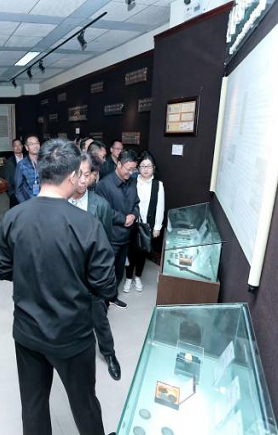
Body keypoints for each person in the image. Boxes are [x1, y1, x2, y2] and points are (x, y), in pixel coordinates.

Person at [0, 138, 117, 435]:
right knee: (85, 404)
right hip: (72, 335)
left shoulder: (13, 217)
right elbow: (106, 285)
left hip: (27, 331)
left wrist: (32, 276)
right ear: (72, 176)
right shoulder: (87, 224)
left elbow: (2, 269)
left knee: (33, 405)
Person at [69, 153, 121, 381]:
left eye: (87, 174)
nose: (82, 179)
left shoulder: (101, 205)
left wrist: (104, 280)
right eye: (78, 174)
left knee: (100, 318)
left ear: (93, 176)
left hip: (92, 276)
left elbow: (107, 244)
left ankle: (109, 354)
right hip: (67, 275)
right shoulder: (60, 203)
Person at [96, 149, 140, 308]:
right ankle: (102, 302)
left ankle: (112, 296)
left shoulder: (133, 181)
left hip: (127, 236)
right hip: (111, 236)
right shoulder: (103, 185)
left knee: (119, 270)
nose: (131, 173)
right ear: (119, 164)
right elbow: (103, 210)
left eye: (134, 169)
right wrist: (123, 219)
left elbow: (136, 203)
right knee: (107, 271)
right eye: (128, 169)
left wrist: (133, 215)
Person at [124, 152, 165, 292]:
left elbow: (160, 207)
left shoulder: (158, 185)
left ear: (153, 168)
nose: (146, 169)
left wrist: (157, 227)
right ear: (138, 168)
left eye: (149, 166)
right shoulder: (132, 182)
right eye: (143, 166)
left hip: (147, 225)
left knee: (142, 252)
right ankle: (128, 278)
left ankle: (137, 277)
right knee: (130, 251)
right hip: (131, 223)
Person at [14, 135, 41, 203]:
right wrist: (25, 205)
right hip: (29, 202)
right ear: (26, 147)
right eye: (31, 144)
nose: (35, 146)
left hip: (44, 201)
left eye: (37, 143)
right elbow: (18, 190)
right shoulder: (21, 165)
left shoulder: (45, 162)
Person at [4, 138, 24, 208]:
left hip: (28, 192)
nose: (17, 147)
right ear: (13, 148)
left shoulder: (28, 159)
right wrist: (11, 194)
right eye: (15, 146)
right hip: (15, 193)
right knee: (15, 212)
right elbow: (7, 179)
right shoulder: (9, 162)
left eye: (19, 145)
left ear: (22, 146)